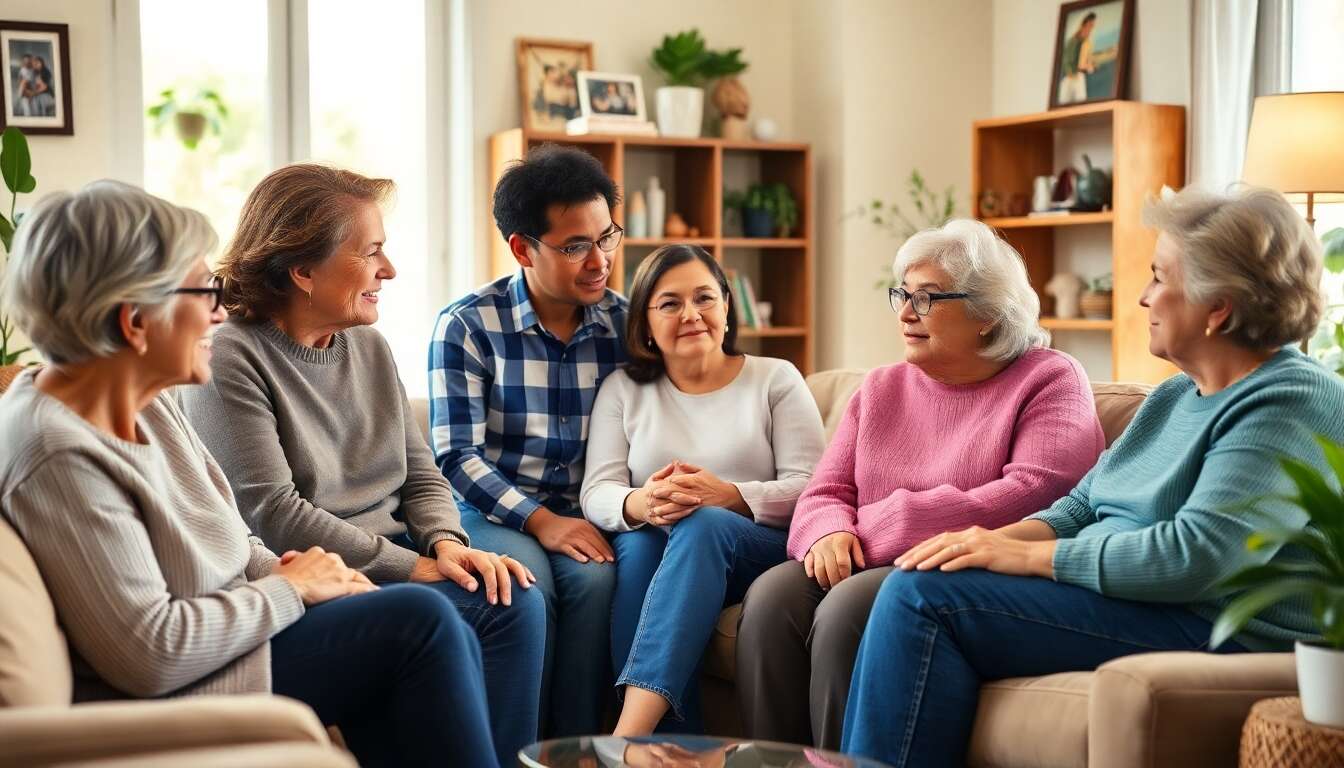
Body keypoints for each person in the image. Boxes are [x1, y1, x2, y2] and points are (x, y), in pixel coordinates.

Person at [0, 180, 503, 767]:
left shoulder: (144, 396)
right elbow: (151, 653)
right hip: (193, 679)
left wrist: (324, 576)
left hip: (237, 633)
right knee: (420, 623)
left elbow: (233, 537)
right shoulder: (58, 451)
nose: (220, 311)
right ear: (135, 321)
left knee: (434, 620)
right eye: (203, 292)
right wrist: (290, 588)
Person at [841, 187, 1344, 767]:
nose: (1141, 296)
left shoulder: (1289, 400)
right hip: (1142, 602)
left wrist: (1026, 558)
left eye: (1159, 277)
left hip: (1215, 625)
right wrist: (988, 541)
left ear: (1218, 307)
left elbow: (1197, 556)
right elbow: (1079, 507)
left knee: (923, 599)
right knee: (921, 575)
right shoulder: (1179, 393)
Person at [177, 164, 544, 768]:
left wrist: (447, 544)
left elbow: (421, 472)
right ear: (302, 271)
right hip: (315, 576)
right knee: (455, 610)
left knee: (512, 599)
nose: (389, 270)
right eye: (371, 252)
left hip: (397, 559)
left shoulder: (369, 345)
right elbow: (273, 513)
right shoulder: (231, 354)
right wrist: (416, 567)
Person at [737, 219, 1104, 750]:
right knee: (772, 596)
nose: (906, 313)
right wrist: (826, 535)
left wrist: (884, 525)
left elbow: (1038, 492)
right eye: (902, 295)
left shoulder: (1050, 378)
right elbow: (824, 491)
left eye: (927, 299)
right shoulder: (881, 388)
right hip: (869, 553)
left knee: (846, 609)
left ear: (987, 313)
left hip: (962, 567)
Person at [580, 245, 826, 735]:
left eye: (705, 298)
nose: (691, 314)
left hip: (759, 552)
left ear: (727, 307)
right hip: (664, 551)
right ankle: (671, 748)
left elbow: (815, 490)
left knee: (704, 522)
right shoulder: (623, 389)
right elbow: (598, 491)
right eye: (670, 303)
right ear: (645, 322)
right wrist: (640, 503)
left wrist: (729, 496)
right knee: (638, 545)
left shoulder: (775, 378)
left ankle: (629, 738)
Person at [430, 144, 627, 736]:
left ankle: (576, 748)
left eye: (607, 237)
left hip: (587, 507)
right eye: (575, 247)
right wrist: (543, 522)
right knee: (524, 587)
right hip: (493, 510)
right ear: (522, 248)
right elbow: (456, 456)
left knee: (596, 583)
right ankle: (519, 747)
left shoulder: (625, 322)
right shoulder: (467, 325)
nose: (600, 261)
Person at [1058, 12, 1096, 104]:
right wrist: (1088, 68)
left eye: (1092, 26)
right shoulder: (1074, 42)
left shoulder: (1084, 42)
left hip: (1076, 77)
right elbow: (1068, 62)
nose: (1091, 29)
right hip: (1072, 78)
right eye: (1091, 25)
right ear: (1085, 25)